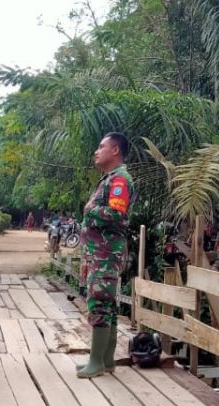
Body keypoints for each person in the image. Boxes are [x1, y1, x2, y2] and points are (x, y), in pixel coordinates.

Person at [77, 131, 135, 378]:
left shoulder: (119, 180)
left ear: (115, 151)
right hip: (100, 253)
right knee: (107, 303)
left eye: (101, 147)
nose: (96, 151)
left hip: (106, 253)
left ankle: (96, 362)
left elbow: (117, 214)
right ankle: (106, 360)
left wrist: (90, 210)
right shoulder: (110, 179)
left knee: (99, 302)